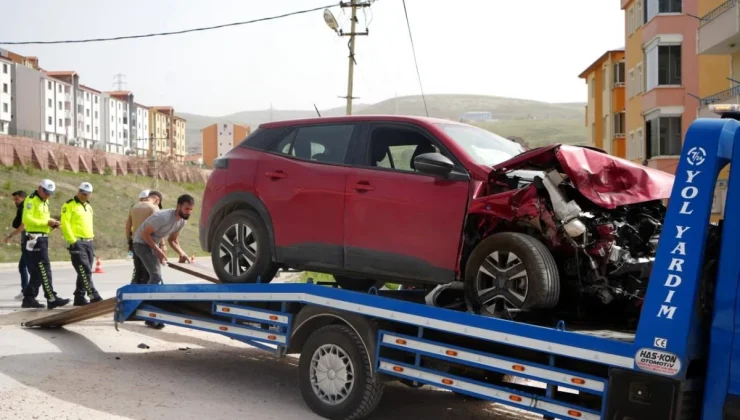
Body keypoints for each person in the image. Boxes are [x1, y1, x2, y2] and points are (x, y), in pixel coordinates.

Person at [132, 194, 194, 328]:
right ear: (178, 206)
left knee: (155, 278)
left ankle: (149, 315)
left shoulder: (182, 221)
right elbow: (144, 234)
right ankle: (145, 311)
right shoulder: (163, 217)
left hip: (152, 244)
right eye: (186, 209)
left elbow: (173, 240)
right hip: (140, 243)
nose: (188, 212)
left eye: (190, 210)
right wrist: (158, 250)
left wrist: (182, 253)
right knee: (155, 276)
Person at [21, 179, 70, 309]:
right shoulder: (31, 200)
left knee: (37, 271)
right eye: (46, 192)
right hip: (34, 238)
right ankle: (51, 298)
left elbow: (43, 221)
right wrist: (46, 222)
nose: (48, 195)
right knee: (44, 268)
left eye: (50, 193)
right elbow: (27, 219)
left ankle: (29, 298)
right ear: (39, 188)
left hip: (42, 237)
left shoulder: (45, 201)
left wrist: (52, 225)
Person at [61, 182, 103, 306]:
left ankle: (79, 296)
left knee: (85, 270)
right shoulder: (69, 205)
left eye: (86, 194)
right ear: (78, 191)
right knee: (84, 270)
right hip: (77, 242)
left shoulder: (88, 206)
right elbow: (65, 223)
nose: (83, 196)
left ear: (90, 195)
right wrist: (73, 241)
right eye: (82, 193)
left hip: (89, 241)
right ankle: (93, 295)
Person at [125, 190, 164, 284]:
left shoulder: (134, 207)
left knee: (138, 272)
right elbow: (158, 228)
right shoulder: (154, 208)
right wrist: (162, 245)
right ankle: (146, 296)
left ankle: (133, 293)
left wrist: (129, 242)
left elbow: (128, 226)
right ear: (157, 200)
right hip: (148, 245)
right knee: (150, 273)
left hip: (135, 244)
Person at [4, 191, 29, 300]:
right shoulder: (25, 207)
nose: (15, 202)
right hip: (28, 241)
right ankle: (26, 291)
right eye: (14, 199)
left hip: (29, 241)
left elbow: (23, 225)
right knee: (24, 267)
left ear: (23, 198)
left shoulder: (24, 208)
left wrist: (10, 235)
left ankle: (27, 292)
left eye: (17, 199)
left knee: (27, 267)